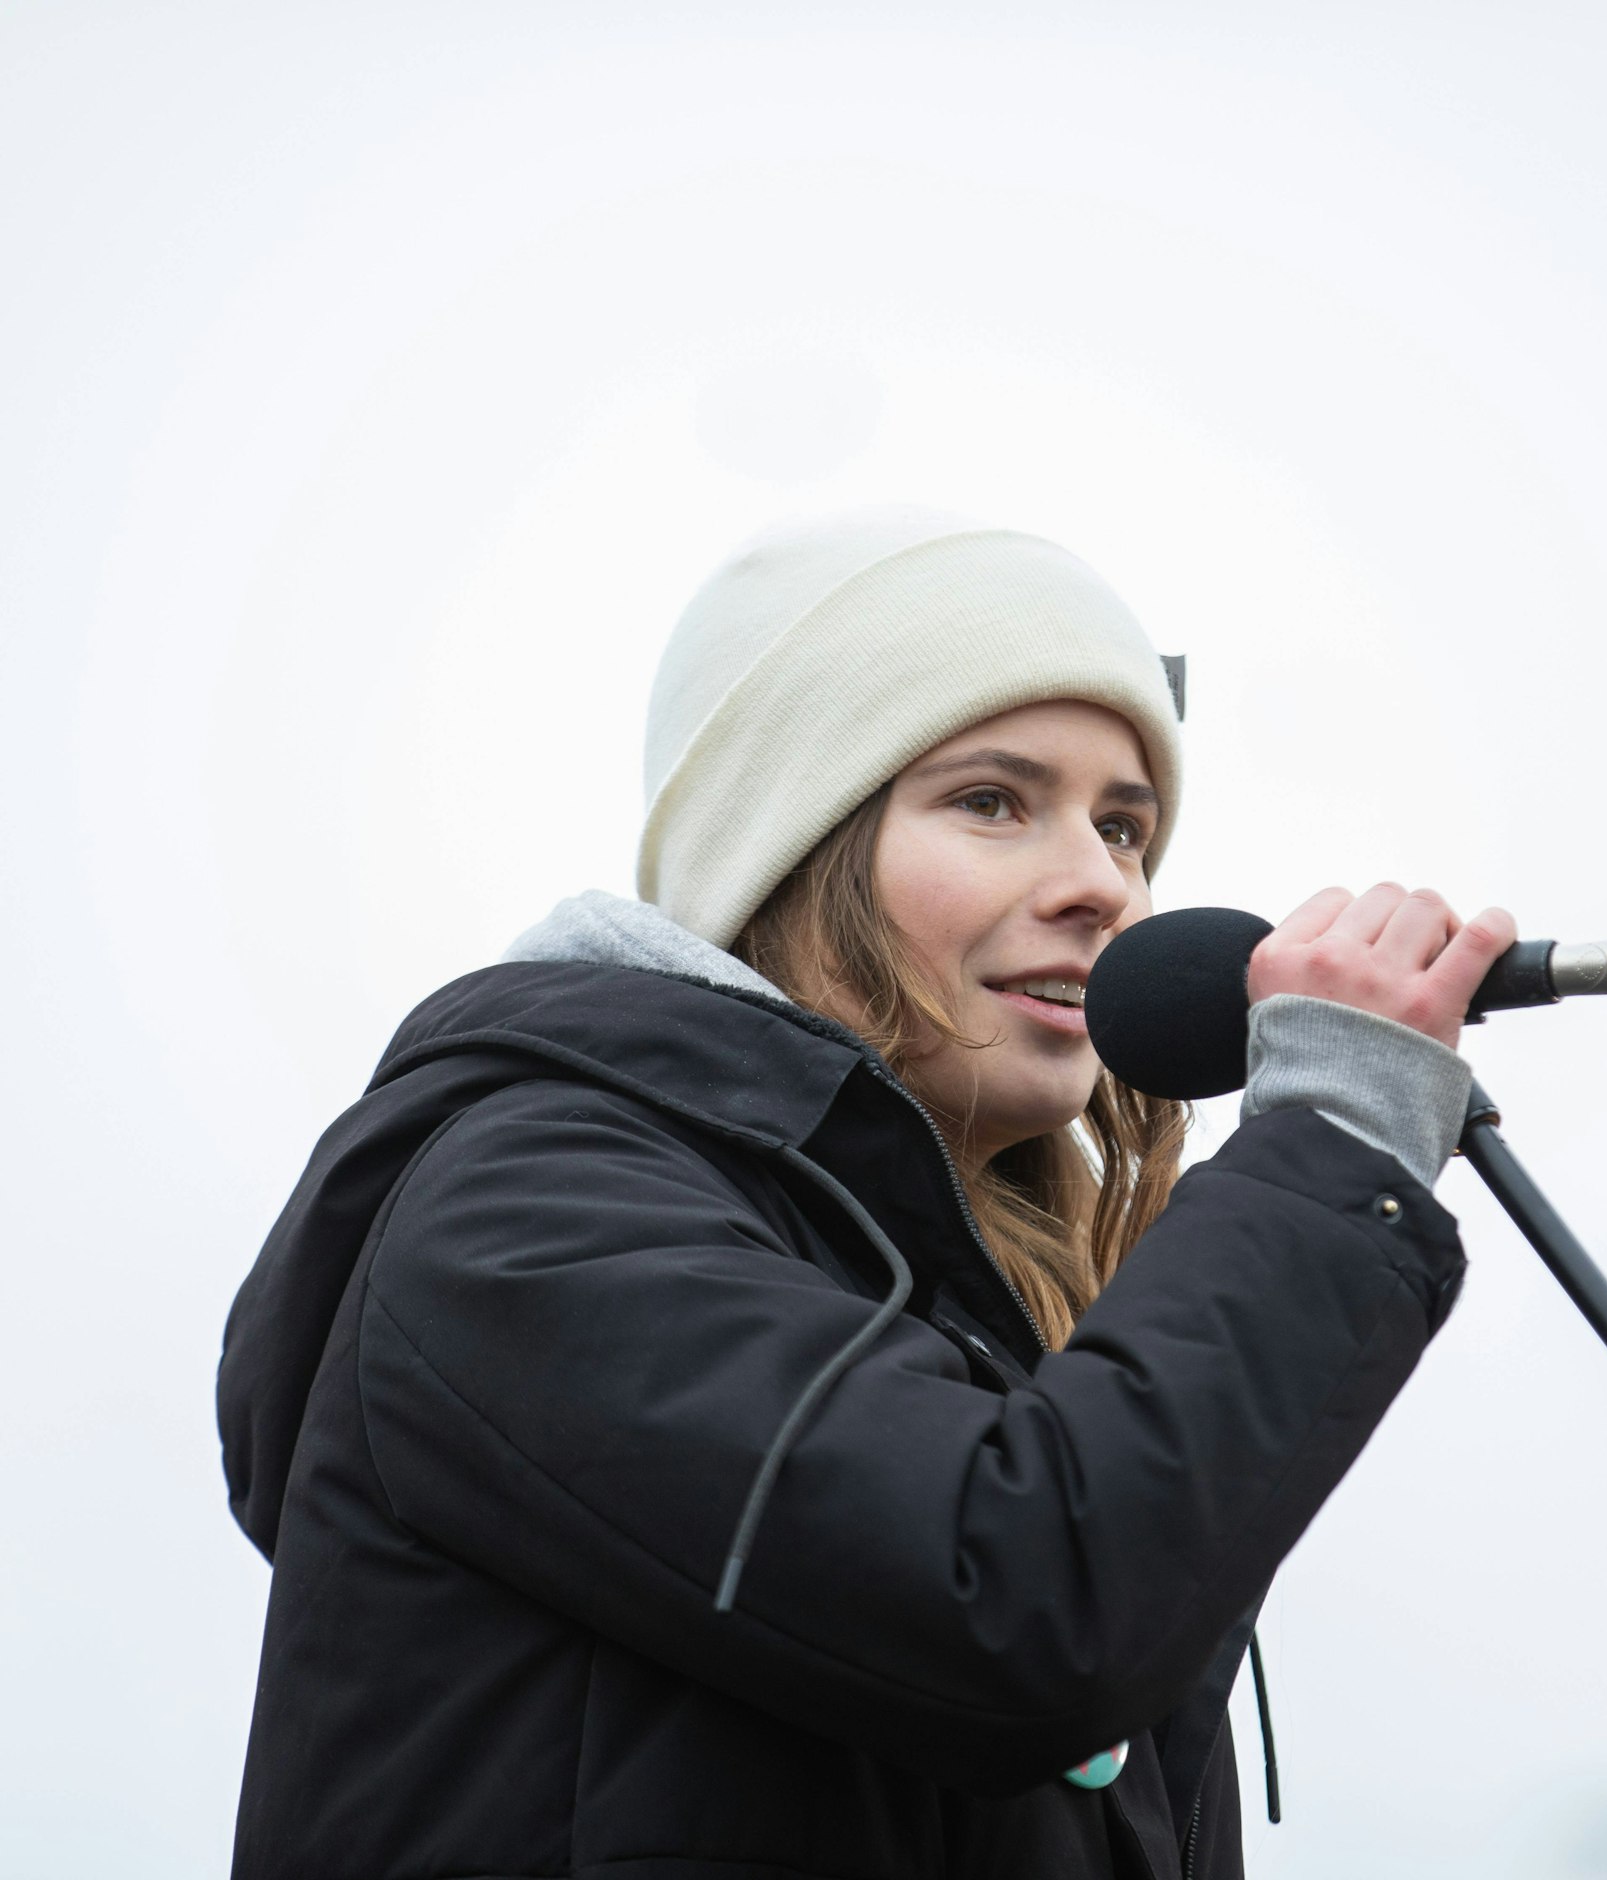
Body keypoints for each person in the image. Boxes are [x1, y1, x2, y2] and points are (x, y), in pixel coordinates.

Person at [217, 505, 1515, 1880]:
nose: (1102, 884)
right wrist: (1335, 1140)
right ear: (785, 847)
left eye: (1125, 828)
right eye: (992, 800)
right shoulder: (522, 1211)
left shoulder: (1001, 1340)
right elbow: (1021, 1600)